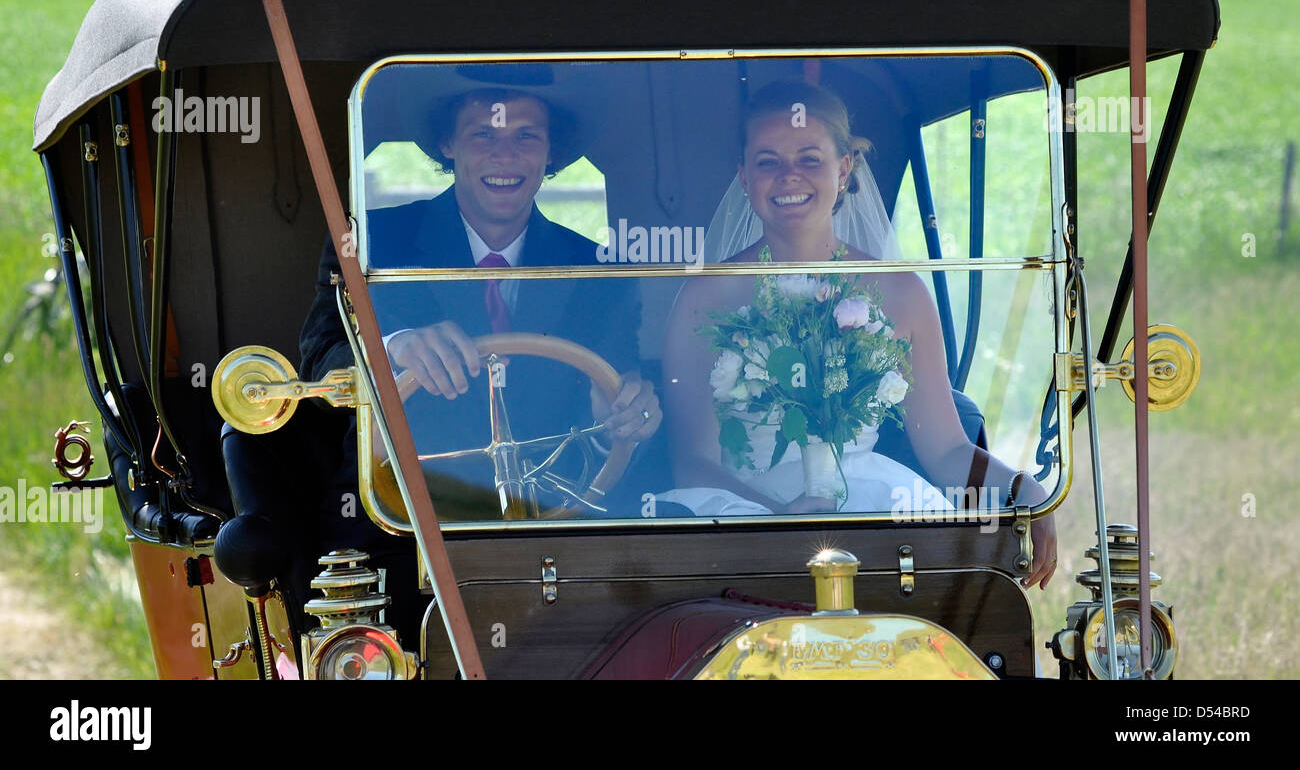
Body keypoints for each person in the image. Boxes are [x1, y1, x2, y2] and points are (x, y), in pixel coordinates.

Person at [299, 79, 662, 641]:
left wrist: (622, 416)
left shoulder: (595, 268)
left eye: (525, 136)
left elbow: (616, 398)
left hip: (549, 522)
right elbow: (321, 360)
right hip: (398, 519)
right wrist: (393, 346)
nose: (505, 155)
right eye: (483, 134)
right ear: (448, 144)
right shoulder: (371, 242)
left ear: (549, 153)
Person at [660, 79, 1057, 590]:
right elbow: (691, 461)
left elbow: (946, 450)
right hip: (743, 514)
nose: (788, 177)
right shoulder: (704, 298)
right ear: (742, 175)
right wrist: (781, 520)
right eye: (767, 161)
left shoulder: (901, 293)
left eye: (809, 158)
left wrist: (1027, 492)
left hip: (868, 504)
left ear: (844, 168)